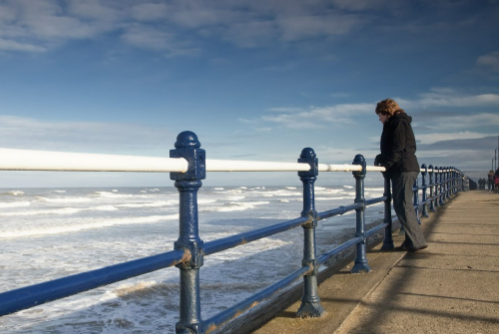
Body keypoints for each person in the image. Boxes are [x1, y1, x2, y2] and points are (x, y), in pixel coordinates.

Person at [374, 98, 427, 252]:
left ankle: (417, 241)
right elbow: (395, 148)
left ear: (386, 112)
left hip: (403, 168)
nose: (379, 119)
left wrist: (386, 165)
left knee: (403, 205)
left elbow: (398, 148)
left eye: (380, 115)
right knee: (404, 205)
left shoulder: (397, 123)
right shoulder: (398, 122)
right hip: (404, 167)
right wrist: (381, 158)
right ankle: (411, 241)